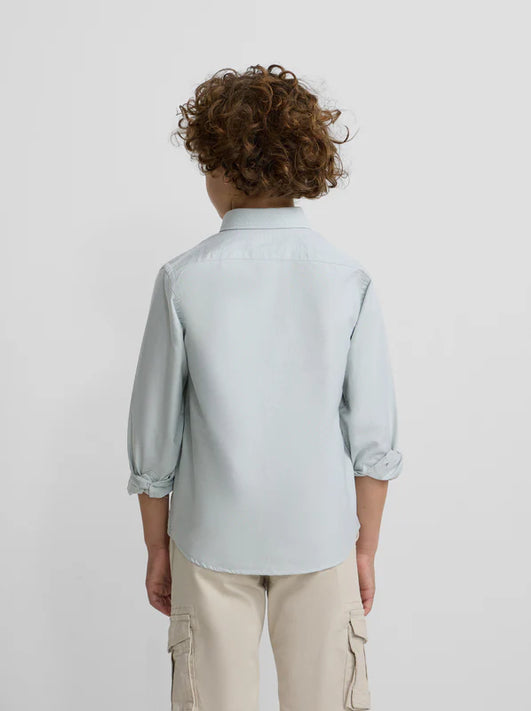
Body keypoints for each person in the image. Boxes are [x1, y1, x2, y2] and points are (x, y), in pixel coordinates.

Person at [126, 63, 403, 711]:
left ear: (220, 164)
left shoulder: (183, 278)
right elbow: (373, 438)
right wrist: (364, 549)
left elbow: (154, 436)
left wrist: (156, 546)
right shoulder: (346, 278)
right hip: (320, 535)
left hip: (209, 536)